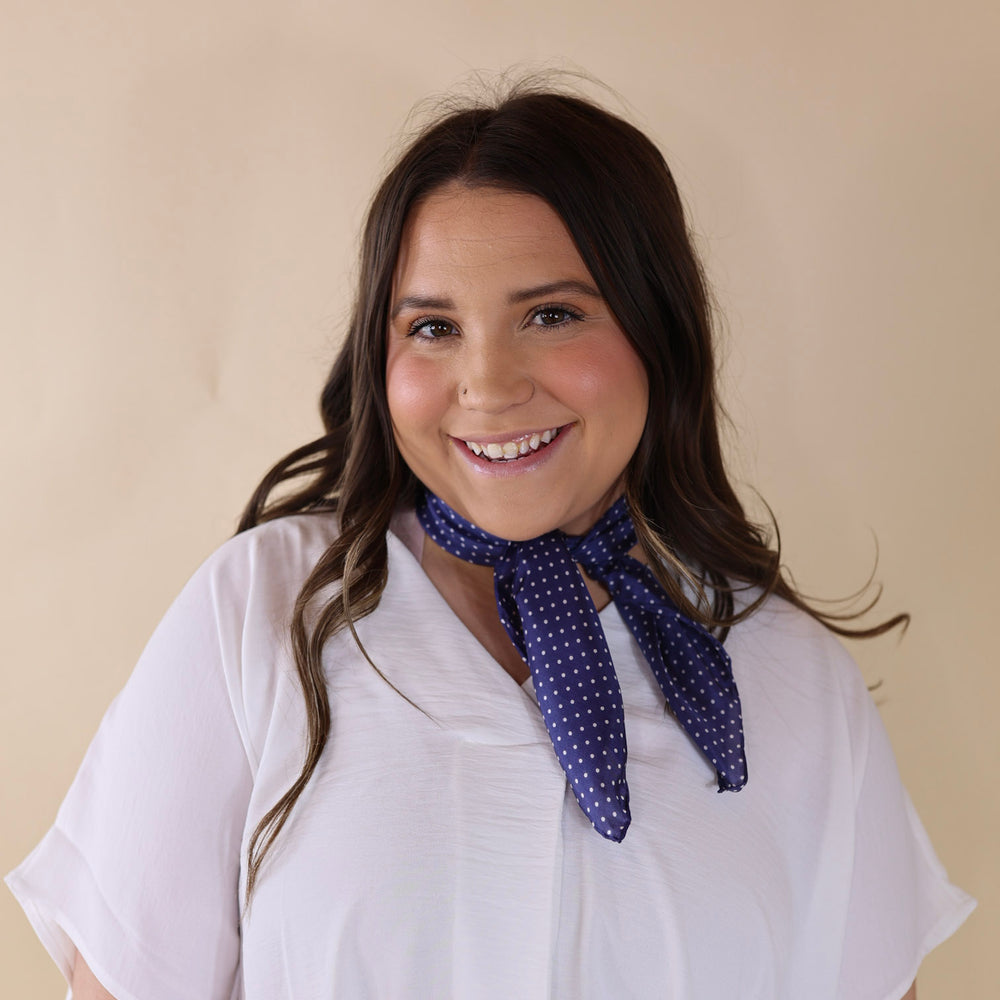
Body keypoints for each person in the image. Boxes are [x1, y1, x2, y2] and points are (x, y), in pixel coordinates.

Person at [7, 83, 974, 1000]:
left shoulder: (795, 683)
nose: (489, 384)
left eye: (552, 315)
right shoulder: (259, 614)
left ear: (657, 331)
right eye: (433, 327)